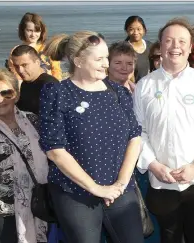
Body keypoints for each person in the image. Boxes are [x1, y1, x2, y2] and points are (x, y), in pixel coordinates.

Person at [40, 30, 144, 243]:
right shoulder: (57, 93)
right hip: (75, 193)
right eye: (99, 59)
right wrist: (95, 188)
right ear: (78, 60)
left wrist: (122, 183)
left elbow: (135, 137)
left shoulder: (118, 92)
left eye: (106, 57)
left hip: (120, 190)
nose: (106, 63)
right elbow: (54, 150)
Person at [134, 18, 194, 243]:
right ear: (161, 45)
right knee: (169, 236)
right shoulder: (144, 86)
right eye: (169, 40)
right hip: (161, 182)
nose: (175, 46)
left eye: (182, 41)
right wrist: (154, 166)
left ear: (191, 46)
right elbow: (138, 132)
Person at [0, 68, 48, 243]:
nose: (0, 99)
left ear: (17, 95)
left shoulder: (35, 121)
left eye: (6, 93)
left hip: (41, 209)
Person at [9, 12, 62, 81]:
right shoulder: (16, 51)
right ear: (23, 30)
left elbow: (56, 72)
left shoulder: (48, 50)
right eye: (29, 30)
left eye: (37, 31)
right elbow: (15, 74)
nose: (33, 35)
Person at [9, 45, 58, 115]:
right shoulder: (26, 83)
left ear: (37, 62)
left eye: (24, 65)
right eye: (16, 66)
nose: (20, 70)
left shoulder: (49, 85)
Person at [124, 16, 152, 81]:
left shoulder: (150, 46)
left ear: (144, 30)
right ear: (126, 31)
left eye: (139, 29)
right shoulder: (123, 49)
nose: (136, 33)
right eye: (131, 29)